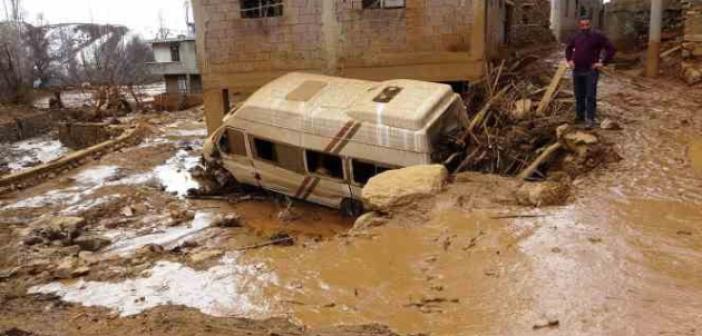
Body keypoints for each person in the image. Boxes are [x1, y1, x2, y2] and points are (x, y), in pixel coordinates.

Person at [565, 15, 616, 129]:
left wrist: (602, 62)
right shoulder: (576, 36)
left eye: (587, 25)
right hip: (577, 70)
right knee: (579, 95)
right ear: (580, 25)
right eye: (582, 25)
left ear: (590, 24)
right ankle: (579, 116)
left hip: (590, 71)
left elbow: (611, 49)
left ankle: (590, 119)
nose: (585, 27)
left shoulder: (597, 36)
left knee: (590, 96)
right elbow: (568, 48)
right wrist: (570, 60)